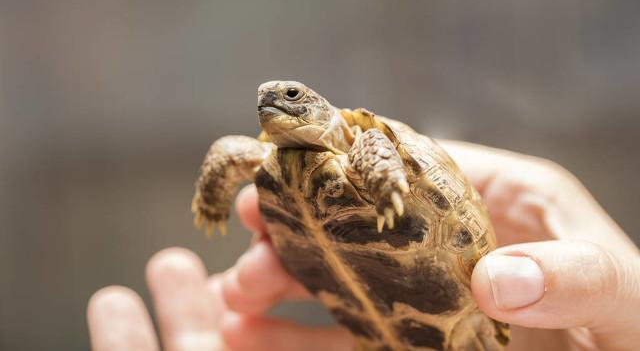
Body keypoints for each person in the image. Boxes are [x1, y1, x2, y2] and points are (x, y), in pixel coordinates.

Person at [86, 141, 640, 351]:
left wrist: (383, 174)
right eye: (269, 101)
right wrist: (213, 194)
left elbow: (377, 144)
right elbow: (231, 154)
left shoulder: (368, 144)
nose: (272, 103)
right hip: (363, 301)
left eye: (293, 98)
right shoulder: (262, 159)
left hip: (456, 289)